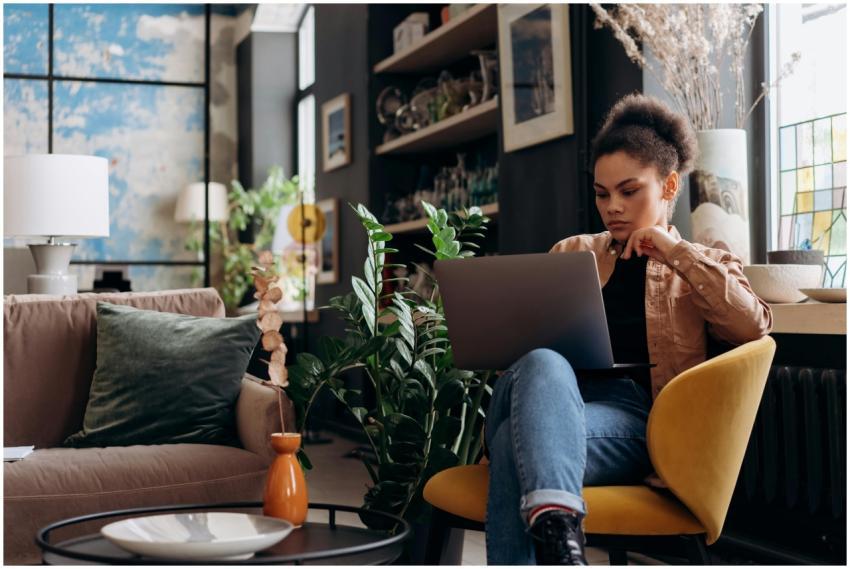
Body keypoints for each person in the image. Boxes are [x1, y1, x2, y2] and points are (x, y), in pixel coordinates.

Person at [484, 94, 772, 565]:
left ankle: (555, 528)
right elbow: (524, 345)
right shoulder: (572, 251)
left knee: (509, 445)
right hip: (542, 395)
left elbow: (753, 326)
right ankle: (561, 534)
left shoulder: (706, 263)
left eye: (629, 190)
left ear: (669, 185)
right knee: (542, 362)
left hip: (633, 423)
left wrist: (676, 255)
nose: (612, 207)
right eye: (601, 194)